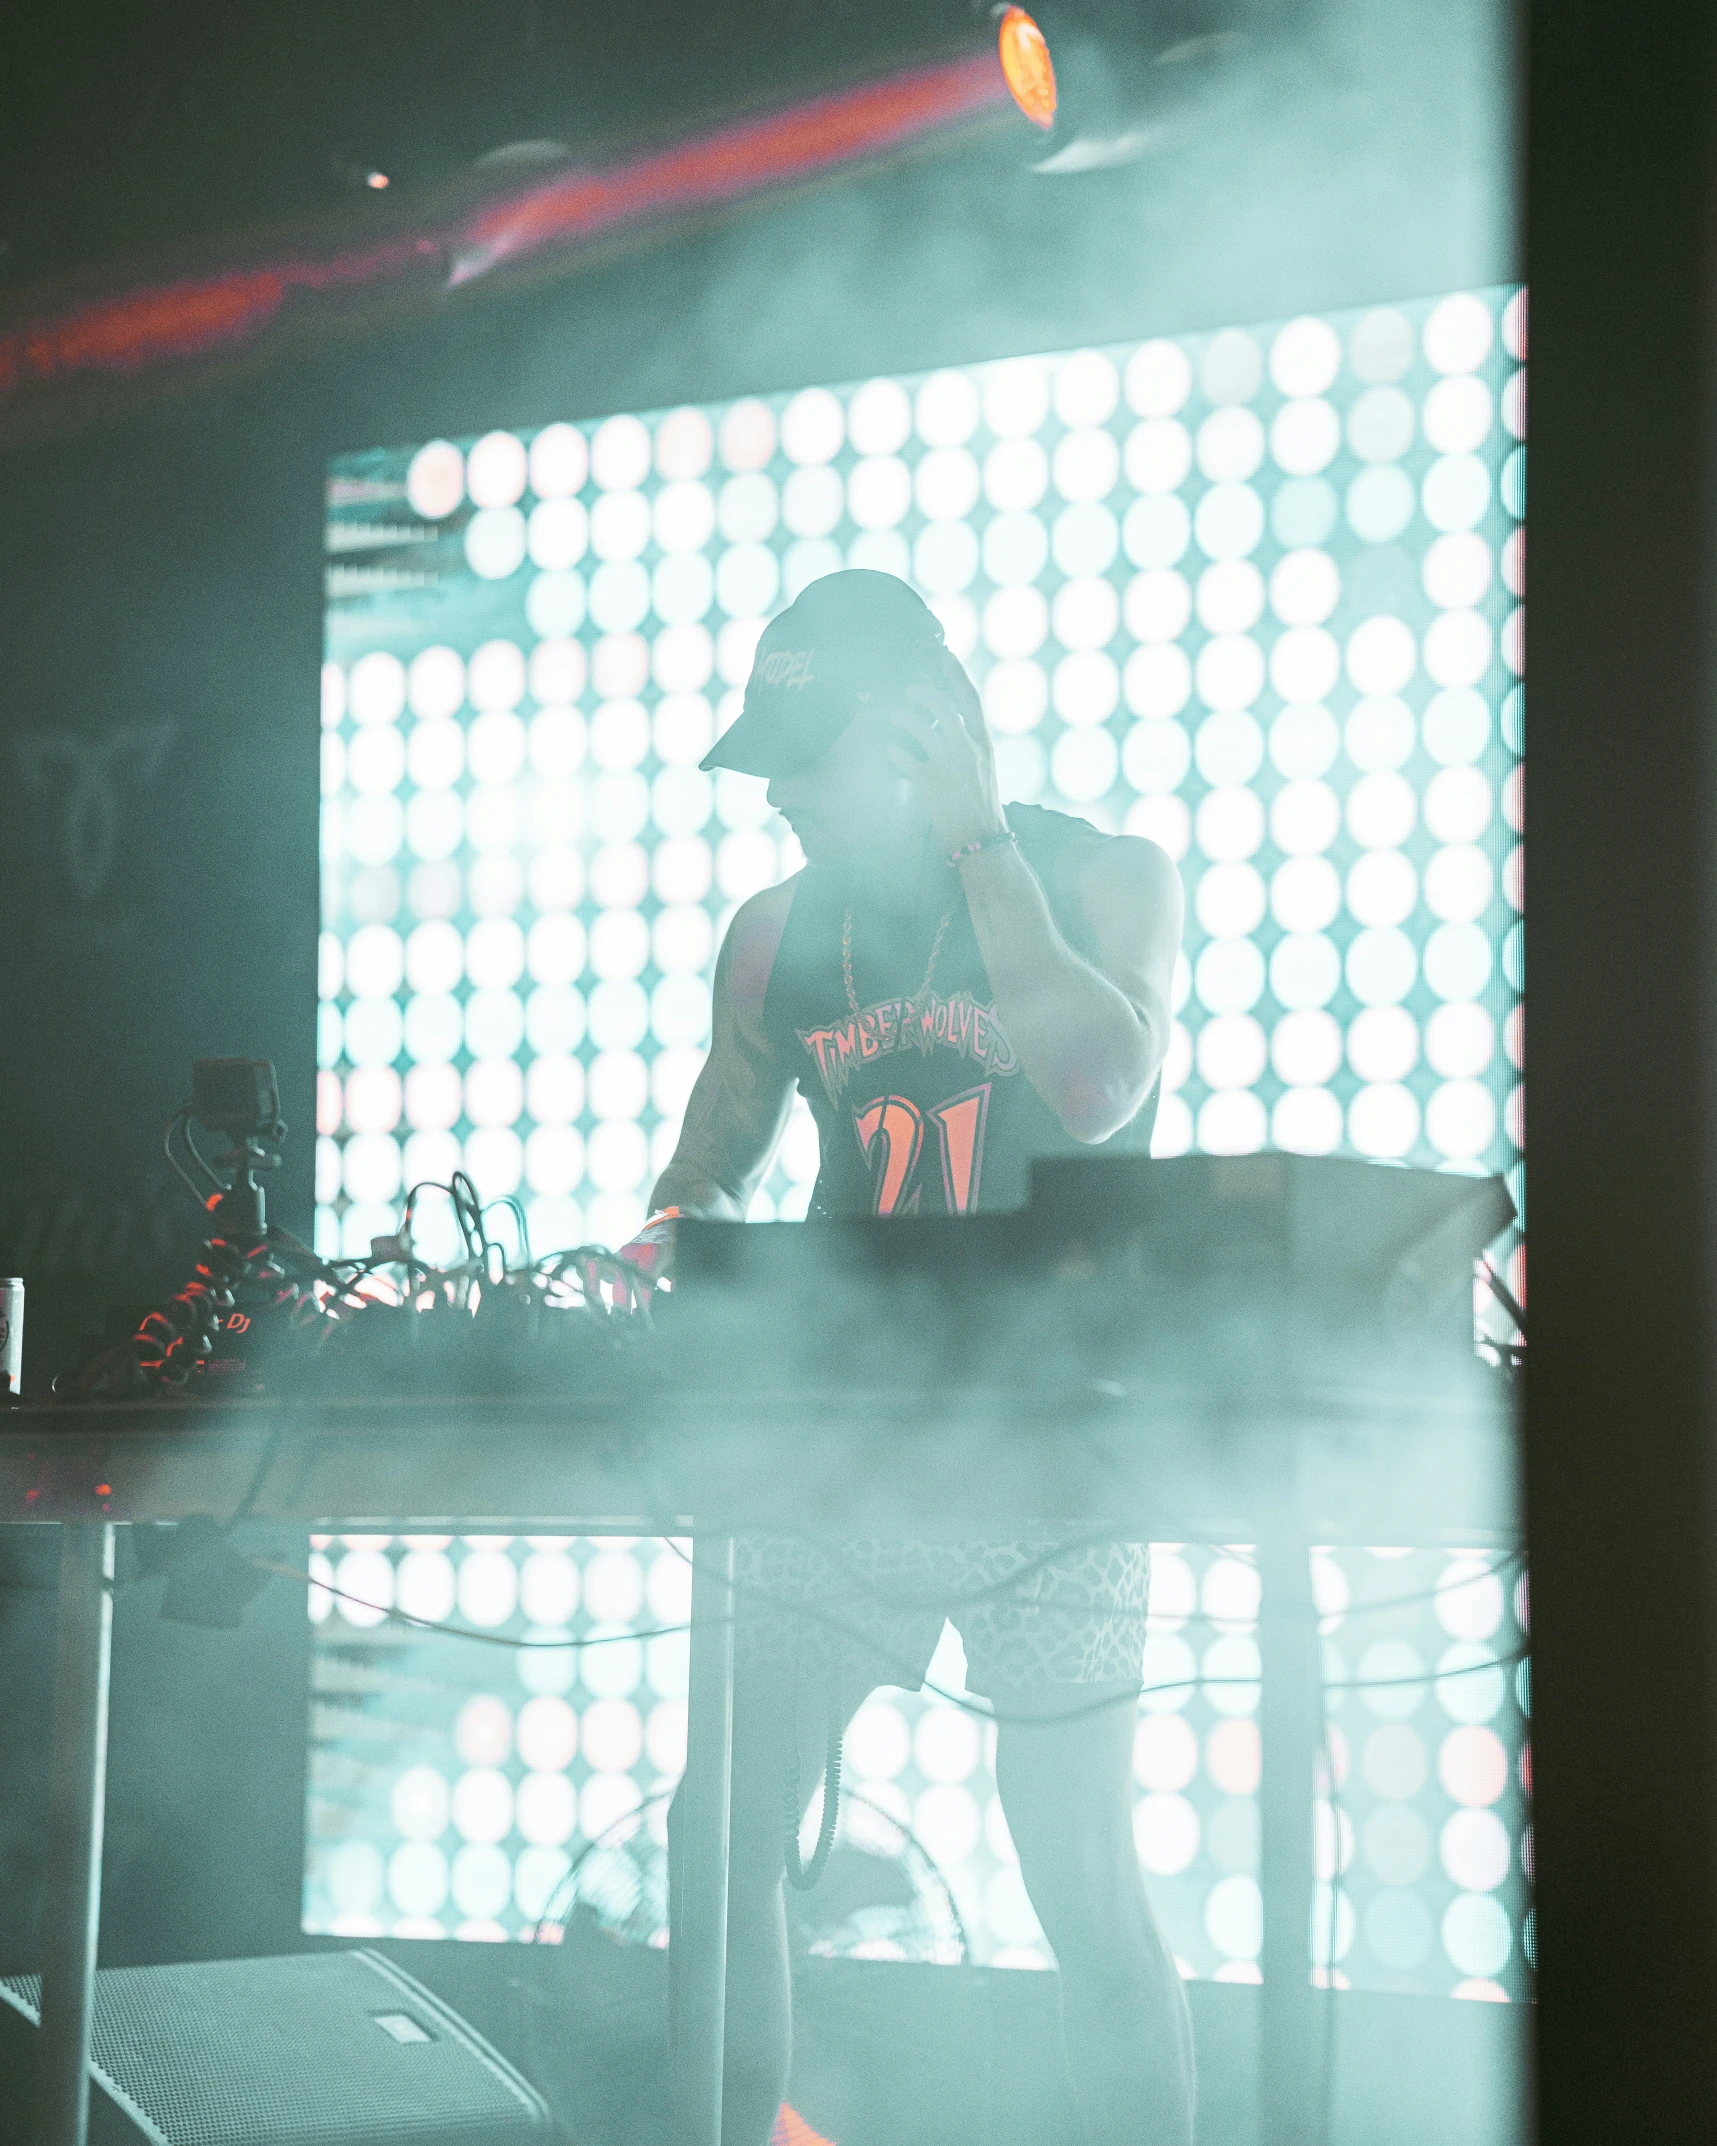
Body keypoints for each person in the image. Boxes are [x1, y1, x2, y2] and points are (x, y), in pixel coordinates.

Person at [632, 569, 1191, 2146]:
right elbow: (708, 1169)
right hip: (838, 1441)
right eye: (772, 766)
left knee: (1078, 1865)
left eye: (806, 760)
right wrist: (661, 1245)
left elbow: (1098, 1084)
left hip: (1052, 1443)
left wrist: (979, 838)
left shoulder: (1110, 876)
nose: (785, 799)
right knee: (720, 1825)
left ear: (922, 729)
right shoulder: (772, 939)